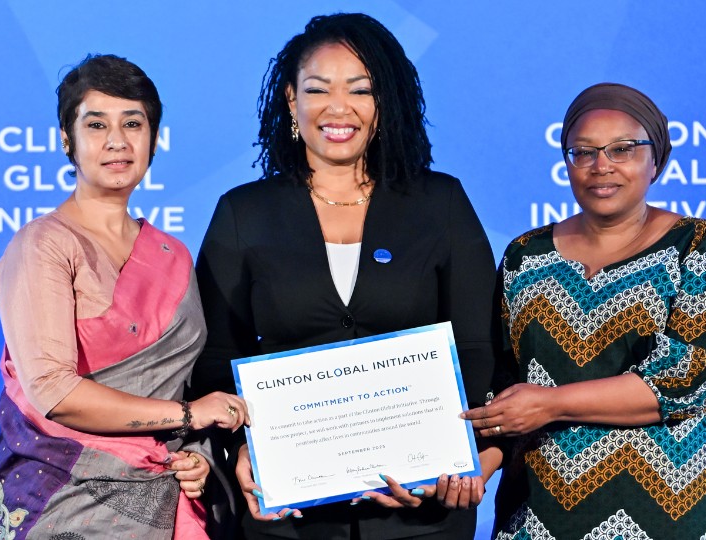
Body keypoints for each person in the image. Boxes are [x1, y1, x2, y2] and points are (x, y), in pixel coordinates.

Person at [189, 13, 498, 540]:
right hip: (288, 519)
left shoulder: (440, 203)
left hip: (421, 516)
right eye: (318, 89)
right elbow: (216, 357)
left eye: (361, 90)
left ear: (386, 102)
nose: (338, 108)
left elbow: (477, 347)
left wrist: (462, 457)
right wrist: (242, 449)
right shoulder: (244, 213)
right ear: (291, 99)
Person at [0, 54, 247, 540]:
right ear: (67, 139)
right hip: (61, 498)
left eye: (133, 123)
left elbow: (183, 385)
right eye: (96, 124)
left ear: (153, 138)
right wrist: (188, 416)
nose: (117, 141)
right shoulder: (43, 245)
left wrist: (197, 457)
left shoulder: (171, 254)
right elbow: (54, 392)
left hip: (165, 494)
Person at [461, 83, 706, 538]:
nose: (601, 165)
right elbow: (503, 388)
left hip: (664, 512)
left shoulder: (695, 244)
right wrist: (471, 469)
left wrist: (551, 404)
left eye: (622, 149)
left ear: (656, 159)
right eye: (583, 152)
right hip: (538, 513)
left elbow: (691, 378)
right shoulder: (525, 255)